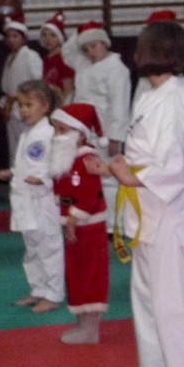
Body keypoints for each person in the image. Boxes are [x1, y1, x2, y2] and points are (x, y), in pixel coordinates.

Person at [86, 21, 184, 367]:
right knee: (148, 302)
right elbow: (142, 157)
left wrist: (129, 176)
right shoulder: (151, 97)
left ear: (157, 53)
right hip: (146, 213)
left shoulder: (178, 102)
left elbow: (175, 166)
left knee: (178, 307)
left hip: (172, 215)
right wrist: (113, 167)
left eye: (142, 47)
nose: (137, 53)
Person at [0, 79, 64, 314]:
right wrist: (13, 172)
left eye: (29, 105)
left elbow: (55, 166)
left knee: (49, 248)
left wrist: (42, 179)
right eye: (21, 105)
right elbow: (27, 164)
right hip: (25, 198)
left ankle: (54, 293)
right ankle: (38, 288)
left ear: (45, 106)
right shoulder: (29, 131)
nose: (24, 110)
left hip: (42, 200)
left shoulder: (48, 132)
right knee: (32, 248)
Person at [49, 103, 109, 343]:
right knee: (76, 274)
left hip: (89, 226)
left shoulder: (87, 160)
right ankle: (83, 324)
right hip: (74, 224)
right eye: (56, 129)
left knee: (90, 274)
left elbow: (89, 193)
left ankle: (91, 328)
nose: (57, 136)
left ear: (80, 134)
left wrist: (74, 217)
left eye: (62, 130)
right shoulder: (68, 158)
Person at [71, 22, 131, 232]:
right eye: (86, 48)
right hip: (87, 132)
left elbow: (120, 104)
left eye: (94, 45)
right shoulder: (85, 68)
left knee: (110, 178)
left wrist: (116, 137)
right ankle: (97, 218)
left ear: (105, 43)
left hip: (106, 132)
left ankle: (114, 224)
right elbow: (68, 53)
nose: (91, 51)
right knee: (90, 176)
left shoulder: (117, 68)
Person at [0, 14, 43, 165]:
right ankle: (15, 174)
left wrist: (32, 103)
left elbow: (38, 81)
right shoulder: (9, 57)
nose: (11, 40)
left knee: (28, 143)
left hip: (26, 105)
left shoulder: (30, 56)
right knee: (14, 147)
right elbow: (6, 86)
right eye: (9, 37)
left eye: (15, 36)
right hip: (12, 107)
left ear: (24, 38)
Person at [40, 11, 75, 104]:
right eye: (44, 35)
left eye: (53, 35)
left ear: (60, 38)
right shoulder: (46, 58)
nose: (48, 39)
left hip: (61, 102)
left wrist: (66, 107)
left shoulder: (63, 58)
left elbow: (68, 88)